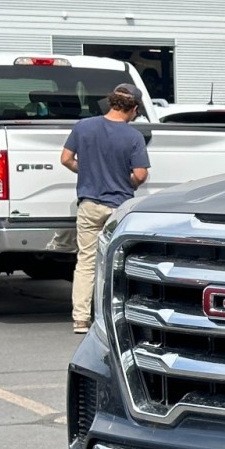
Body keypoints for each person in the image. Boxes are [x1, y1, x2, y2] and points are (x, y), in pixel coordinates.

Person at [60, 83, 149, 334]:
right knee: (117, 263)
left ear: (111, 102)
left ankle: (80, 319)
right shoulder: (133, 137)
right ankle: (113, 316)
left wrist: (86, 171)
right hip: (119, 208)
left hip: (89, 204)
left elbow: (66, 159)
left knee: (86, 261)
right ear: (132, 108)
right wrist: (128, 180)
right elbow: (140, 175)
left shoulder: (84, 127)